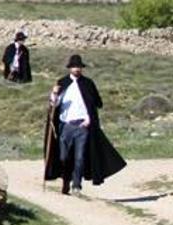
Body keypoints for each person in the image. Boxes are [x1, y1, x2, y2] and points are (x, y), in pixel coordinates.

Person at [44, 54, 126, 196]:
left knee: (80, 157)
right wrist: (54, 94)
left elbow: (96, 103)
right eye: (74, 67)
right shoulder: (62, 83)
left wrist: (89, 119)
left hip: (83, 126)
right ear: (70, 68)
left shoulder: (88, 83)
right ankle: (66, 181)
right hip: (66, 125)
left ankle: (77, 186)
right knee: (64, 157)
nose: (77, 69)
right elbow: (55, 105)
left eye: (79, 67)